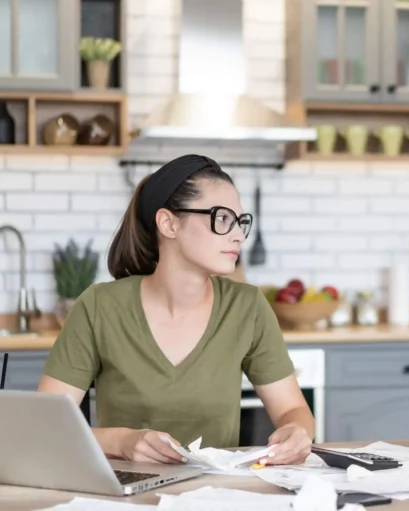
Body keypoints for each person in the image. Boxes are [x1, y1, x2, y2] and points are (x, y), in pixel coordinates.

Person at [38, 154, 314, 467]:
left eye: (240, 222)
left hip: (218, 494)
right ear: (169, 223)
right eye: (222, 219)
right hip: (126, 496)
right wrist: (122, 442)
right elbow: (47, 429)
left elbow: (294, 411)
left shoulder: (247, 306)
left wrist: (297, 432)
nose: (238, 235)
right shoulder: (99, 306)